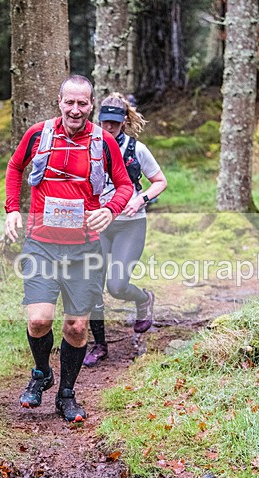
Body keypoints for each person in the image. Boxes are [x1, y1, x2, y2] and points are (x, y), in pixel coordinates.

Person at [4, 75, 134, 422]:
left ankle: (66, 395)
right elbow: (15, 167)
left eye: (82, 103)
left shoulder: (104, 142)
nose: (75, 109)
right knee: (39, 320)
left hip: (84, 250)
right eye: (70, 102)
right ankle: (41, 373)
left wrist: (110, 210)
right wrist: (12, 209)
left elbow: (124, 185)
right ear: (59, 102)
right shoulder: (38, 135)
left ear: (91, 105)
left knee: (76, 327)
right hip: (41, 246)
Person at [83, 92, 168, 367]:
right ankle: (99, 345)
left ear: (124, 121)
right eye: (104, 121)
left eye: (114, 122)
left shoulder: (136, 149)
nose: (108, 127)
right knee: (92, 285)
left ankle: (144, 299)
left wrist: (141, 199)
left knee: (117, 286)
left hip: (130, 224)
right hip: (98, 224)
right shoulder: (89, 146)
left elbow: (160, 181)